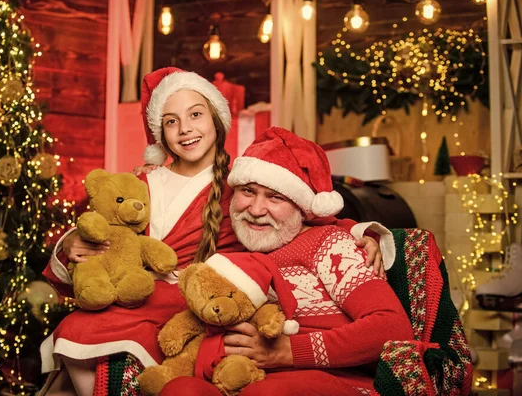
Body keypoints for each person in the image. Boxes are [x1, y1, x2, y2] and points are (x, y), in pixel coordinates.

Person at [40, 68, 389, 396]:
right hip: (138, 295)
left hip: (204, 301)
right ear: (160, 132)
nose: (185, 129)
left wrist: (363, 232)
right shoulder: (142, 181)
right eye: (170, 121)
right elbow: (110, 223)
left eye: (195, 115)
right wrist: (71, 243)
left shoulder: (241, 182)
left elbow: (300, 212)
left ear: (217, 119)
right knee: (74, 330)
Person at [158, 127, 414, 396]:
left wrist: (289, 351)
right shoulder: (233, 248)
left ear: (302, 207)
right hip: (242, 377)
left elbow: (391, 327)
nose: (256, 210)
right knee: (181, 390)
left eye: (275, 197)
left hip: (329, 381)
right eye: (247, 191)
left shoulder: (329, 244)